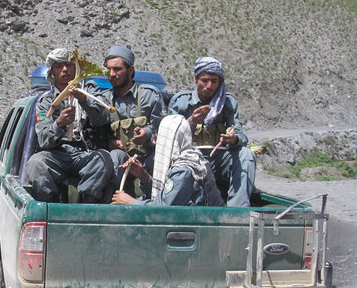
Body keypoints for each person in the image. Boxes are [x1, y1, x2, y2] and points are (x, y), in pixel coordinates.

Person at [25, 48, 114, 203]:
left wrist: (84, 100)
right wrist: (58, 124)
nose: (65, 69)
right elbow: (44, 140)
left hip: (85, 153)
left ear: (76, 67)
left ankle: (87, 206)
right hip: (58, 155)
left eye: (69, 64)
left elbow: (105, 118)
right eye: (59, 66)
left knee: (104, 158)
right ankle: (50, 208)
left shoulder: (90, 91)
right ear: (53, 72)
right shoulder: (46, 102)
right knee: (36, 163)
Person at [167, 56, 256, 207]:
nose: (209, 86)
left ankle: (237, 211)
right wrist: (191, 122)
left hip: (218, 159)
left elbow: (240, 134)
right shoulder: (180, 102)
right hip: (190, 160)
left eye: (214, 81)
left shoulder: (227, 103)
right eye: (204, 80)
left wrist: (233, 139)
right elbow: (169, 137)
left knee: (246, 155)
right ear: (196, 79)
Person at [85, 46, 165, 195]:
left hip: (148, 161)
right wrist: (109, 142)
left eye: (117, 69)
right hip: (119, 164)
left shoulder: (150, 96)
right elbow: (95, 131)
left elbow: (163, 129)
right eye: (108, 70)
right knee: (114, 156)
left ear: (130, 70)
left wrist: (147, 134)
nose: (112, 74)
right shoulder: (103, 100)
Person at [111, 114, 223, 207]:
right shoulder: (191, 159)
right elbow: (165, 194)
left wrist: (130, 202)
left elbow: (163, 210)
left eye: (158, 138)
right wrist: (143, 176)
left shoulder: (183, 171)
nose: (154, 142)